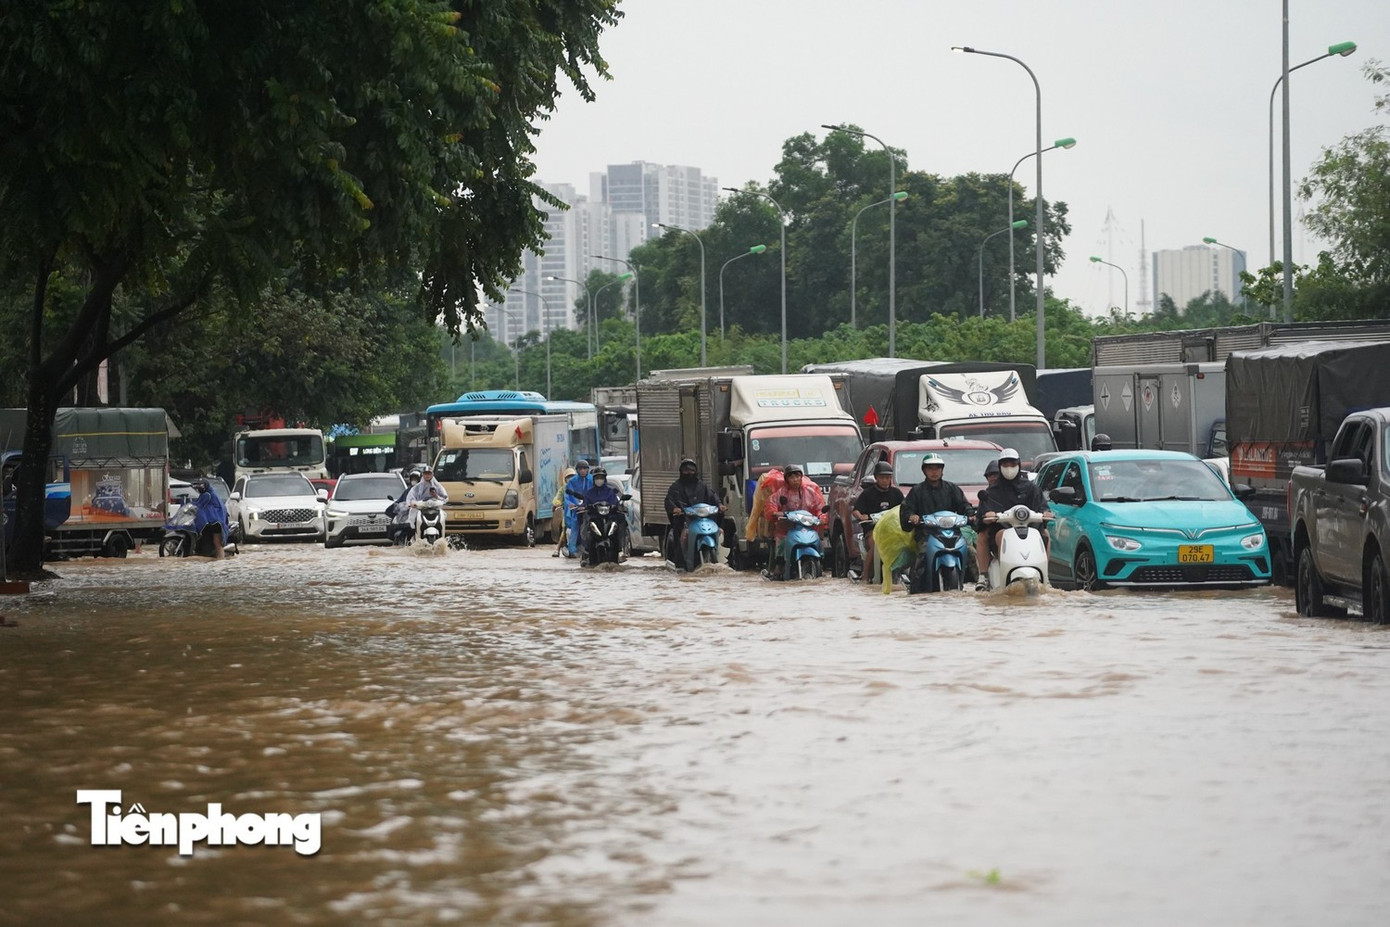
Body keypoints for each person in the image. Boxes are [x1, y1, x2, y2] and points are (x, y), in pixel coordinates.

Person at [973, 448, 1048, 590]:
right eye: (1005, 465)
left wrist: (1046, 513)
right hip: (1000, 530)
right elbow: (982, 515)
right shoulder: (992, 492)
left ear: (1018, 465)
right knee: (984, 535)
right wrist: (987, 516)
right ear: (1000, 467)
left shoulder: (1031, 488)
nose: (1009, 468)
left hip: (1029, 530)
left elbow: (1043, 506)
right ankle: (983, 577)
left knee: (1046, 535)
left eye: (1012, 464)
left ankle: (1046, 576)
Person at [763, 463, 826, 579]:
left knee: (820, 542)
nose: (795, 479)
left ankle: (821, 563)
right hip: (785, 529)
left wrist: (822, 517)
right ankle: (778, 568)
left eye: (797, 476)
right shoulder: (781, 493)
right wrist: (775, 512)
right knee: (781, 544)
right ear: (787, 479)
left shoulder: (810, 492)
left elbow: (820, 507)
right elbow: (771, 504)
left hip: (807, 527)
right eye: (791, 477)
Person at [664, 457, 723, 570]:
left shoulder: (702, 486)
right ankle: (681, 562)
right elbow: (669, 500)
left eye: (691, 470)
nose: (689, 473)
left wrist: (719, 505)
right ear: (681, 471)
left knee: (719, 531)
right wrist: (674, 508)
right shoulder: (676, 487)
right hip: (685, 520)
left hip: (703, 519)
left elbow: (713, 497)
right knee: (683, 536)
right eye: (686, 470)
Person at [852, 461, 905, 584]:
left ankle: (906, 574)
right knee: (876, 545)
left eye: (887, 477)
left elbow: (904, 509)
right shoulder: (867, 494)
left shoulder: (897, 494)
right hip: (873, 530)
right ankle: (865, 576)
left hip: (893, 531)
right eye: (882, 477)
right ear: (876, 478)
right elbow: (856, 511)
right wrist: (861, 517)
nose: (885, 480)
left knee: (906, 544)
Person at [405, 464, 450, 536]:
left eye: (429, 473)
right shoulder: (418, 486)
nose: (427, 475)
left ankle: (443, 535)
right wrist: (412, 503)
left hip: (435, 506)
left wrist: (436, 496)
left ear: (432, 474)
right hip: (421, 506)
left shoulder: (438, 486)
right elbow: (411, 496)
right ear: (423, 475)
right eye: (425, 474)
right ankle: (414, 532)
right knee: (412, 514)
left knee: (444, 515)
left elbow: (445, 497)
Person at [561, 460, 593, 558]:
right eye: (580, 469)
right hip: (577, 509)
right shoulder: (572, 481)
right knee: (575, 527)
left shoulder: (592, 479)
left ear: (588, 470)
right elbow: (568, 496)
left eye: (585, 469)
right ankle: (572, 549)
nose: (583, 471)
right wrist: (573, 504)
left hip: (590, 508)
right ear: (577, 470)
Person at [190, 480, 229, 559]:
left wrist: (189, 504)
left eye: (200, 487)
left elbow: (198, 505)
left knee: (217, 542)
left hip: (216, 522)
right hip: (212, 521)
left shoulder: (207, 495)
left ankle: (221, 560)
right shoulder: (209, 493)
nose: (198, 489)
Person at [389, 469, 421, 544]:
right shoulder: (407, 491)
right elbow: (400, 501)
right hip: (407, 515)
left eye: (415, 479)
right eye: (412, 479)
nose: (414, 481)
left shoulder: (423, 489)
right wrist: (397, 505)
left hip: (419, 515)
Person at [551, 466, 577, 557]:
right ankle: (557, 549)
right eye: (568, 477)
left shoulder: (579, 487)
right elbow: (557, 499)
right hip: (568, 514)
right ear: (565, 479)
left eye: (572, 476)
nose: (570, 479)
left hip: (579, 511)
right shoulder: (563, 489)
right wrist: (558, 503)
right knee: (564, 529)